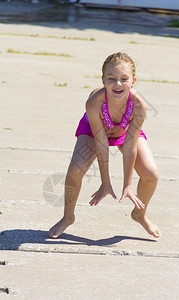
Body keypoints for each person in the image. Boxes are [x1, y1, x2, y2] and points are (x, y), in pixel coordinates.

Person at [49, 52, 161, 239]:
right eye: (111, 79)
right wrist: (105, 183)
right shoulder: (94, 102)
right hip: (96, 131)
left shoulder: (139, 105)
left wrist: (127, 185)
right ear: (103, 80)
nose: (118, 84)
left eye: (124, 79)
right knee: (75, 171)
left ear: (133, 81)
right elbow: (101, 144)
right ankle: (68, 217)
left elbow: (130, 147)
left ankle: (139, 214)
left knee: (151, 174)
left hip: (124, 131)